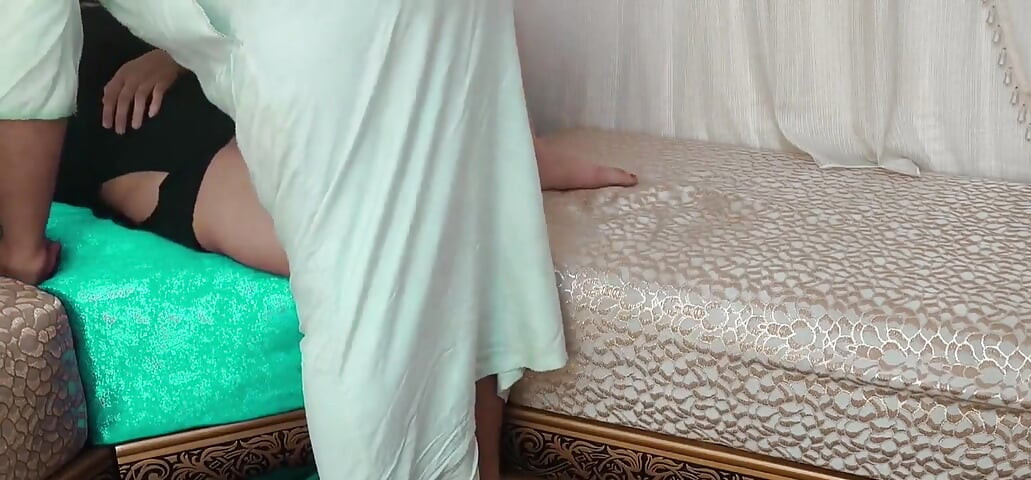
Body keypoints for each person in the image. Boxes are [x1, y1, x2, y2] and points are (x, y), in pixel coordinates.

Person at [0, 0, 613, 480]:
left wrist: (22, 249)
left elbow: (26, 62)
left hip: (242, 84)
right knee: (440, 212)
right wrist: (175, 50)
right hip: (273, 81)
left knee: (369, 269)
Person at [56, 3, 636, 278]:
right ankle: (503, 157)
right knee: (374, 254)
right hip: (157, 139)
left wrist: (176, 54)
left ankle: (510, 152)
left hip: (195, 65)